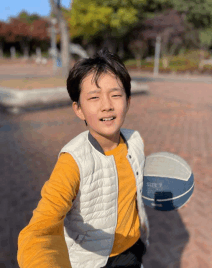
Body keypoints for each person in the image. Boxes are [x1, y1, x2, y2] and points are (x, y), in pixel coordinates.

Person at [17, 48, 149, 268]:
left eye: (116, 94)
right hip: (91, 261)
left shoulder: (135, 141)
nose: (107, 105)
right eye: (94, 97)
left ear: (128, 100)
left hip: (132, 249)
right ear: (78, 109)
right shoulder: (73, 161)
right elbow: (40, 229)